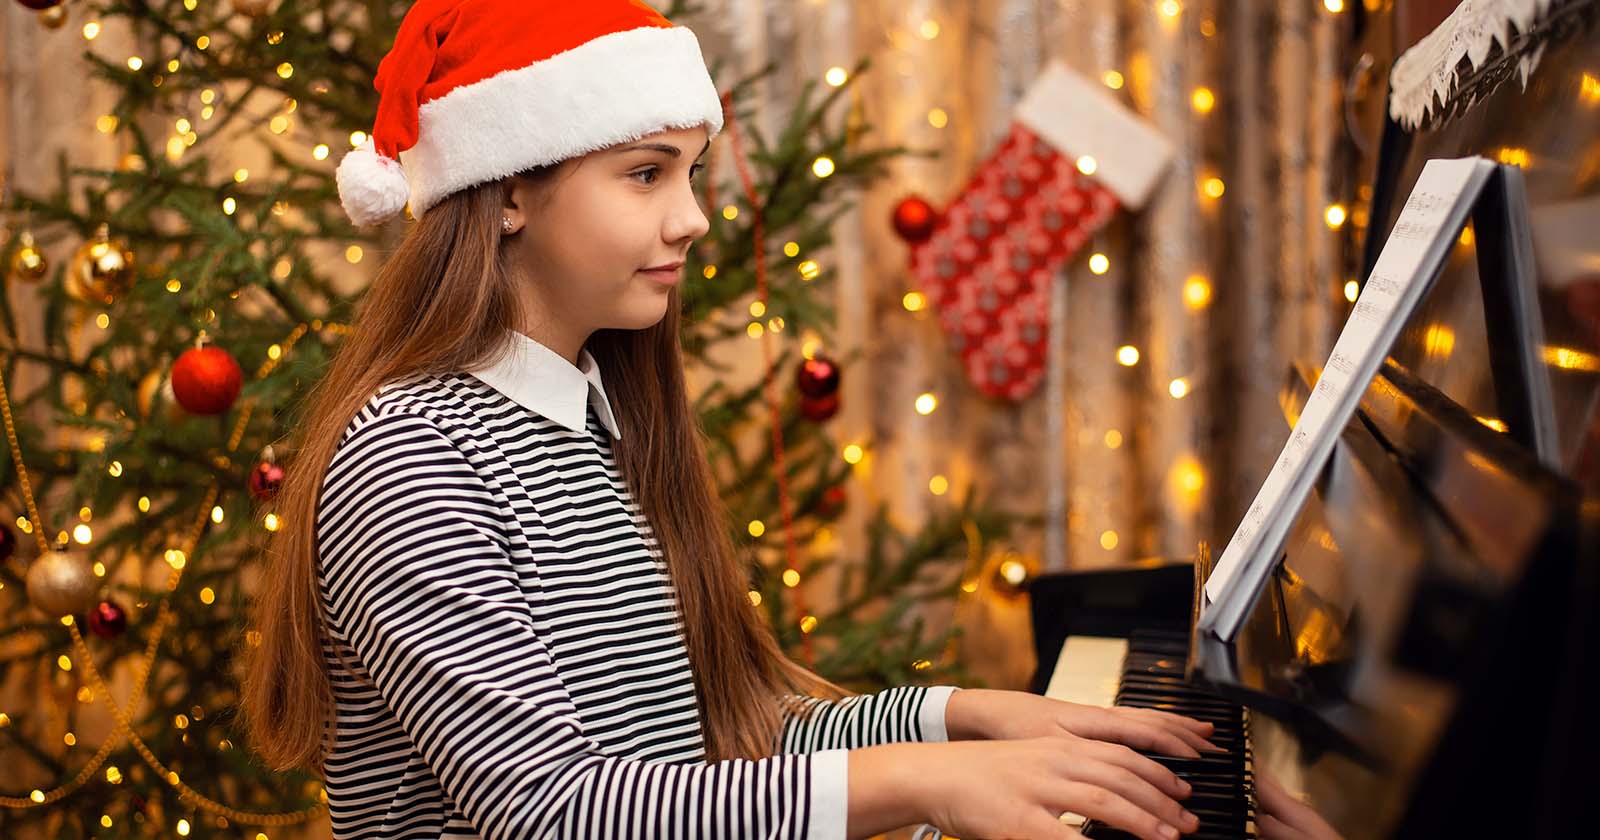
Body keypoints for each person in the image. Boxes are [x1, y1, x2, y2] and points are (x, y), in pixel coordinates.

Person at [240, 2, 1217, 838]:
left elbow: (721, 738)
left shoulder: (596, 418)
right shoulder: (411, 453)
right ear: (508, 194)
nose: (692, 218)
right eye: (645, 173)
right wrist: (922, 781)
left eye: (693, 173)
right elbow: (555, 808)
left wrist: (957, 718)